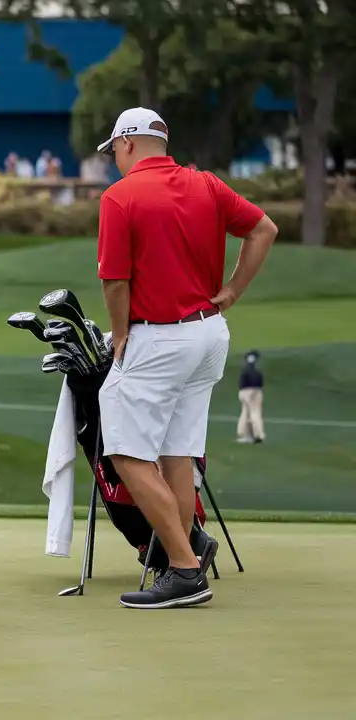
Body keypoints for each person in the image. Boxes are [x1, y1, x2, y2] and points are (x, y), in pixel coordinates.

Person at [95, 107, 278, 609]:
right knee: (176, 452)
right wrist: (234, 290)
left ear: (127, 144)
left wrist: (119, 334)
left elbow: (114, 281)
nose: (114, 158)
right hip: (209, 335)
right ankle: (191, 542)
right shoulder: (208, 185)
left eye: (113, 150)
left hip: (159, 339)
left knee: (127, 454)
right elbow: (264, 230)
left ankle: (184, 567)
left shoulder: (120, 196)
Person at [237, 350, 265, 444]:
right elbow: (259, 381)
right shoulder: (256, 369)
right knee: (255, 412)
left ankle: (243, 434)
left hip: (243, 392)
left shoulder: (244, 369)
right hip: (255, 391)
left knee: (244, 413)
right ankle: (258, 434)